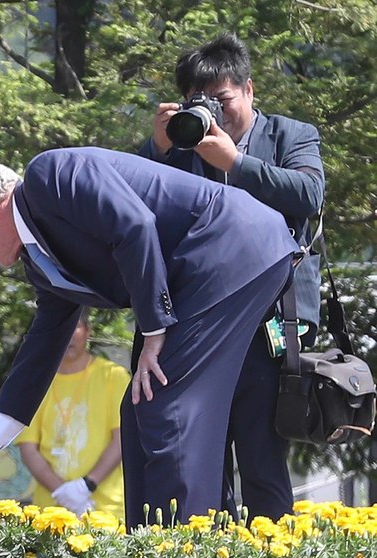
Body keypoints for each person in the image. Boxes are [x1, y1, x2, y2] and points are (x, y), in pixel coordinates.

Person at [0, 146, 300, 526]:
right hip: (199, 275)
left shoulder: (50, 174)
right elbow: (36, 359)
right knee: (140, 409)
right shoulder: (40, 261)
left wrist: (155, 330)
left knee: (164, 404)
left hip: (232, 247)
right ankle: (154, 552)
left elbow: (135, 225)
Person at [139, 32, 325, 520]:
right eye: (200, 103)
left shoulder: (290, 135)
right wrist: (156, 150)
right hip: (197, 322)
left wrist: (236, 163)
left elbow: (309, 196)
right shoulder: (181, 143)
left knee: (262, 457)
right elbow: (130, 211)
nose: (214, 114)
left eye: (222, 100)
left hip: (270, 321)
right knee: (202, 458)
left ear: (249, 89)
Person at [14, 308, 128, 519]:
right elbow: (28, 447)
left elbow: (122, 438)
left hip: (104, 509)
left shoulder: (113, 376)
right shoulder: (38, 382)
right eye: (60, 328)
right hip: (50, 512)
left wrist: (86, 485)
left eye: (74, 326)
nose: (67, 335)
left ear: (87, 330)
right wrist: (63, 492)